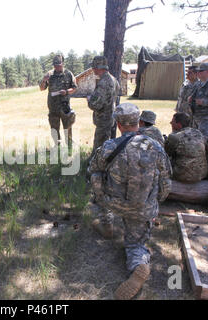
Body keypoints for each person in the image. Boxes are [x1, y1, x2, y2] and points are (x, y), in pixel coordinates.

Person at [89, 103, 172, 300]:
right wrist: (156, 202)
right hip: (142, 207)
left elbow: (93, 168)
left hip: (112, 201)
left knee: (95, 177)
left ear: (118, 124)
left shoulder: (109, 146)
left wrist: (101, 194)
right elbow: (166, 176)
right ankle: (139, 264)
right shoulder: (155, 146)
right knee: (136, 244)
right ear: (138, 122)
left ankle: (106, 222)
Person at [39, 54, 77, 148]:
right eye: (55, 65)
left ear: (63, 64)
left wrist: (66, 91)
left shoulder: (68, 74)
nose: (57, 67)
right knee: (54, 128)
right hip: (53, 107)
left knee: (67, 127)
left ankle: (69, 146)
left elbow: (74, 88)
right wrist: (44, 80)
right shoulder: (49, 75)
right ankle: (57, 146)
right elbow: (42, 88)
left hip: (65, 107)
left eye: (59, 65)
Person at [87, 56, 121, 157]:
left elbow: (96, 105)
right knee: (106, 145)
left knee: (99, 148)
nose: (93, 69)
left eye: (94, 67)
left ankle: (95, 169)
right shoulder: (114, 80)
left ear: (99, 67)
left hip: (103, 119)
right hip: (110, 117)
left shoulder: (103, 82)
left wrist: (89, 100)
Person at [164, 112, 208, 183]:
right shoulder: (198, 133)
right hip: (202, 174)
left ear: (179, 125)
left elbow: (167, 153)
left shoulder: (175, 137)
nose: (171, 123)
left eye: (172, 122)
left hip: (182, 175)